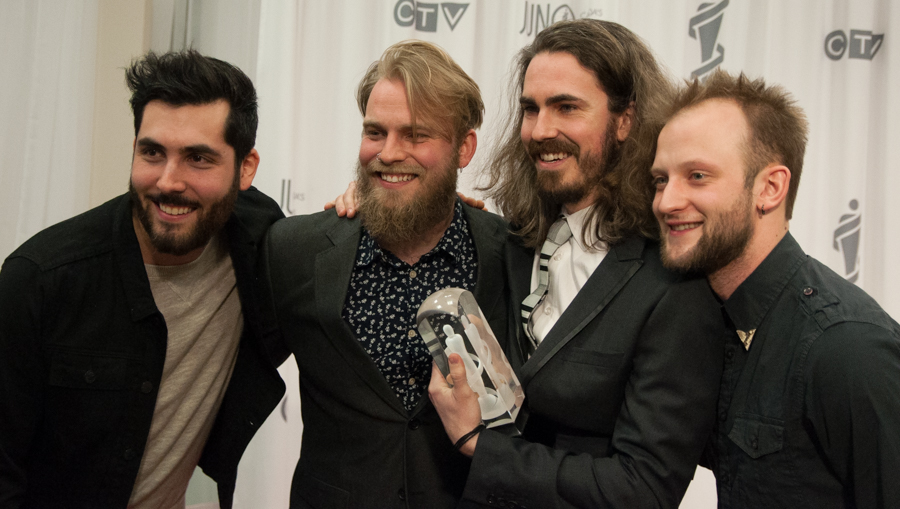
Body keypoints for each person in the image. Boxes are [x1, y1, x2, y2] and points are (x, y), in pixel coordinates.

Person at [427, 19, 724, 508]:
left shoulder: (673, 279)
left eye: (567, 107)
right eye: (530, 109)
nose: (542, 130)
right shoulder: (516, 240)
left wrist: (482, 446)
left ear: (625, 120)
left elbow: (645, 489)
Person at [0, 50, 285, 508]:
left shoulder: (262, 244)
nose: (169, 181)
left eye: (198, 158)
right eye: (152, 152)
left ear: (246, 168)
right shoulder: (40, 280)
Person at [259, 40, 512, 508]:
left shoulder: (509, 254)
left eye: (416, 136)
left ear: (464, 147)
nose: (389, 153)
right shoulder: (295, 250)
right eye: (376, 132)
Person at [650, 69, 900, 508]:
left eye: (697, 176)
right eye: (660, 179)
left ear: (770, 188)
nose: (666, 202)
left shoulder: (847, 348)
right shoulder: (704, 319)